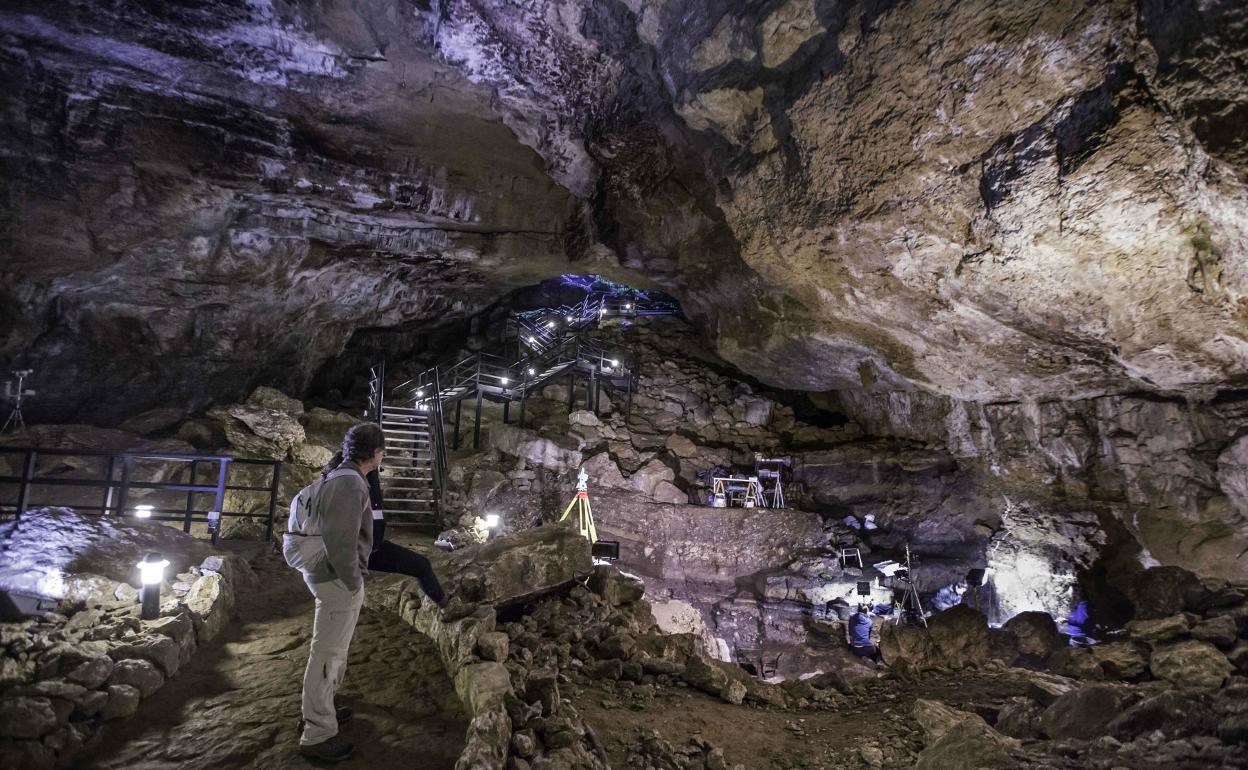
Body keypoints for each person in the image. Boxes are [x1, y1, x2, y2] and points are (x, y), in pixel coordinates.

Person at [297, 423, 384, 763]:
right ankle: (317, 733)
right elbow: (340, 540)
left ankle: (323, 705)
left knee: (333, 650)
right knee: (327, 652)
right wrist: (353, 580)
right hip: (336, 579)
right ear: (375, 453)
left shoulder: (339, 476)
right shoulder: (350, 483)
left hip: (326, 575)